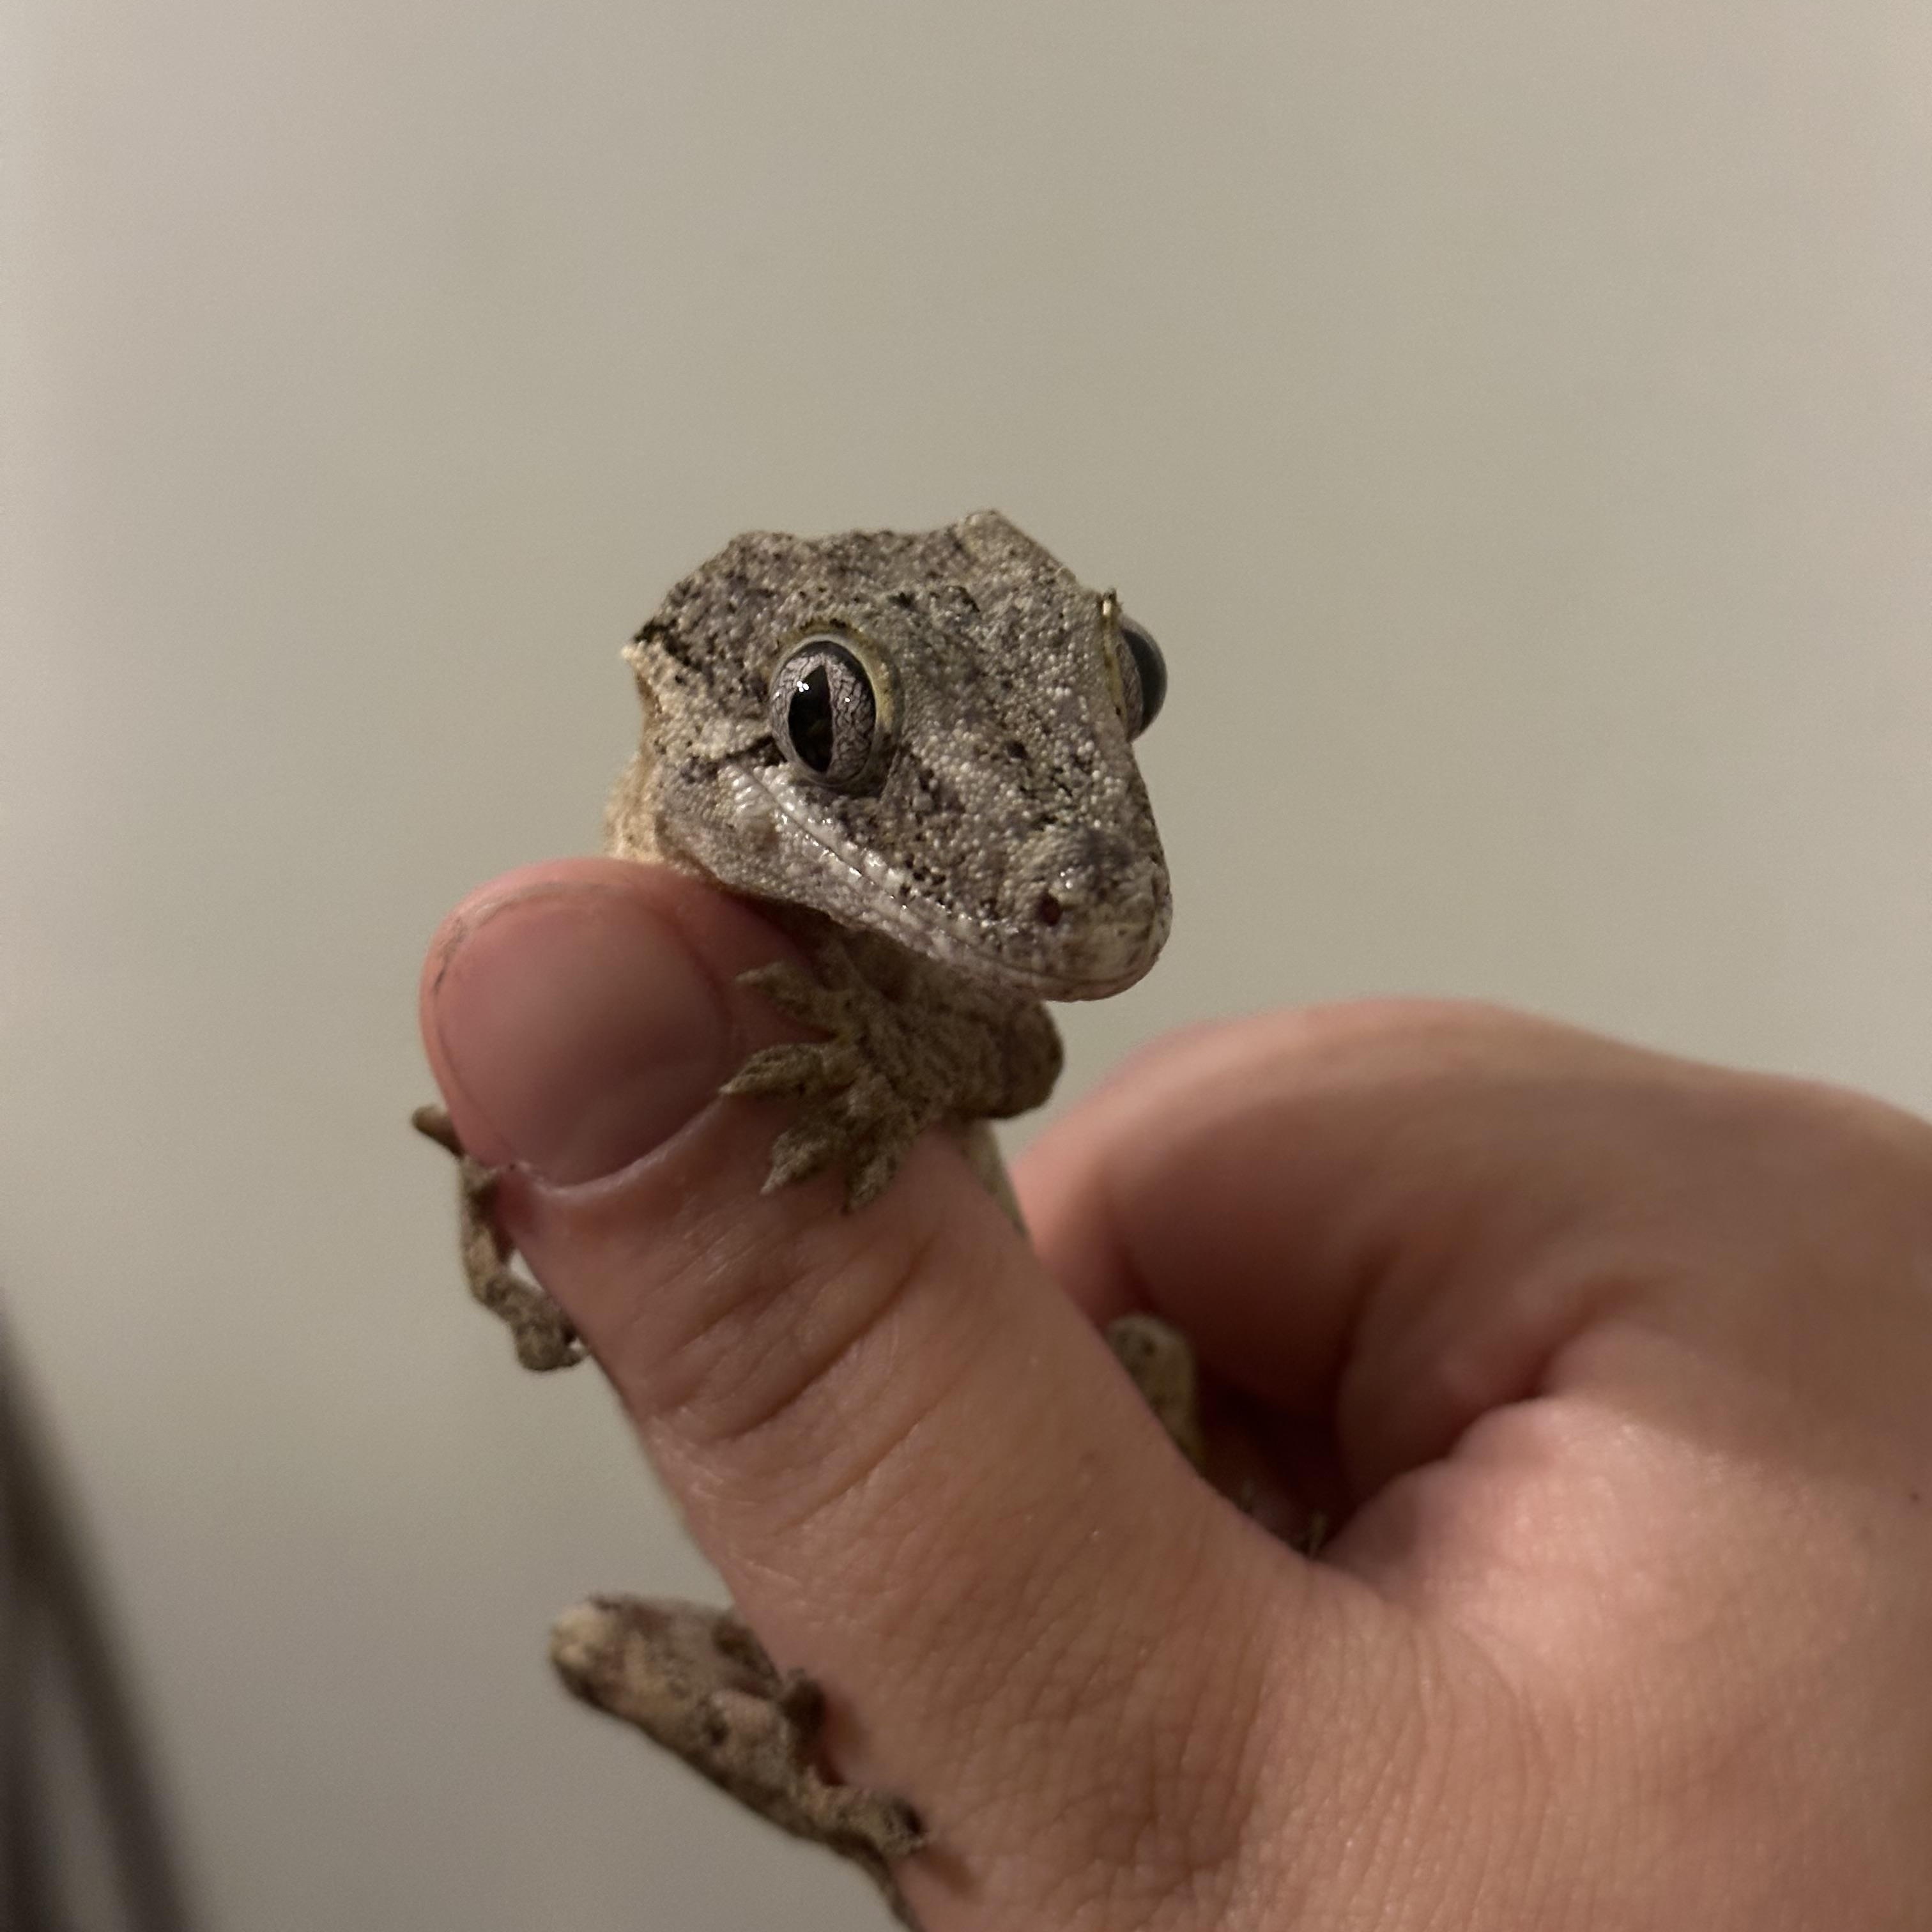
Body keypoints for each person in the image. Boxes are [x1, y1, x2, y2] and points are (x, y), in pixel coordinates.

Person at [419, 856, 1932, 1929]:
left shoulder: (867, 953)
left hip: (1110, 1425)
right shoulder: (716, 907)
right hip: (887, 1643)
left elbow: (1017, 1049)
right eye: (831, 723)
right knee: (597, 1645)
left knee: (1143, 1363)